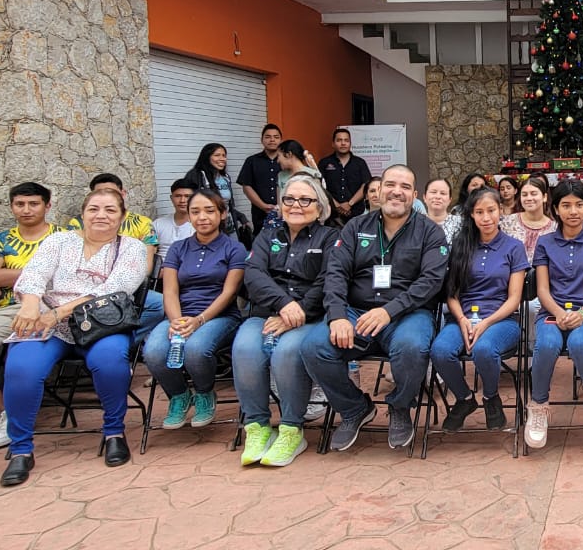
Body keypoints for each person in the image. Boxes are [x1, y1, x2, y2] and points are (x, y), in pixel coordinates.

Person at [0, 187, 148, 486]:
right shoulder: (59, 241)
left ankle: (114, 433)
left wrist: (58, 312)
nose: (101, 215)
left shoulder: (132, 247)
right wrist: (30, 305)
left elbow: (114, 289)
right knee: (21, 368)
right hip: (48, 323)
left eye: (110, 210)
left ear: (122, 216)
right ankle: (21, 449)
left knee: (110, 361)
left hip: (101, 323)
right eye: (94, 209)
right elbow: (34, 275)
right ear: (82, 213)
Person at [300, 164, 448, 451]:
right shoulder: (355, 227)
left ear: (414, 195)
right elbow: (336, 273)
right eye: (390, 184)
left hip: (407, 314)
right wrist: (337, 316)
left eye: (405, 187)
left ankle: (400, 407)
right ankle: (355, 408)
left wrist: (388, 311)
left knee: (412, 346)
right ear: (378, 191)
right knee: (314, 347)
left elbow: (431, 281)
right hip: (357, 312)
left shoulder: (430, 232)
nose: (397, 192)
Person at [234, 177, 337, 467]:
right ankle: (258, 427)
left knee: (287, 352)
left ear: (320, 207)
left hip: (309, 316)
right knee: (244, 348)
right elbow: (254, 274)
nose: (296, 205)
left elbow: (328, 280)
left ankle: (292, 429)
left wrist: (298, 310)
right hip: (267, 314)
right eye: (289, 199)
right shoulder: (267, 236)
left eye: (305, 200)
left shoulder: (330, 238)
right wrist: (284, 305)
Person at [0, 183, 65, 449]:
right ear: (12, 206)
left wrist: (15, 274)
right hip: (10, 308)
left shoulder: (64, 237)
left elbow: (66, 277)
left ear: (47, 206)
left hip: (53, 307)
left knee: (20, 357)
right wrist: (40, 271)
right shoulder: (1, 240)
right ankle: (4, 412)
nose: (26, 210)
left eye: (33, 204)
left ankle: (16, 418)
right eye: (20, 204)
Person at [142, 189, 247, 430]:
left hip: (219, 316)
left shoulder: (234, 248)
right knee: (153, 351)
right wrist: (177, 321)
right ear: (188, 216)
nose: (202, 217)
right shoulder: (178, 248)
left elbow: (229, 293)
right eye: (195, 212)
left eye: (209, 211)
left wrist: (199, 320)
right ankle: (179, 395)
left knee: (196, 349)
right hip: (179, 315)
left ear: (222, 214)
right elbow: (170, 291)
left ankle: (204, 393)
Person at [527, 180, 583, 451]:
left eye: (579, 204)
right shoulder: (545, 243)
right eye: (566, 205)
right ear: (555, 209)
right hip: (551, 312)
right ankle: (538, 406)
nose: (573, 211)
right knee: (547, 344)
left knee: (579, 343)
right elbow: (542, 289)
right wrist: (558, 312)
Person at [431, 187, 527, 432]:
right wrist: (462, 319)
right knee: (440, 351)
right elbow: (451, 294)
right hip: (462, 318)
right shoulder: (461, 245)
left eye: (491, 210)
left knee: (484, 350)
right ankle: (464, 399)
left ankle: (490, 397)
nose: (486, 218)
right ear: (471, 215)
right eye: (479, 212)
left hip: (502, 320)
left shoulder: (514, 247)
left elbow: (514, 299)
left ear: (500, 211)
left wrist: (485, 323)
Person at [69, 173, 161, 341]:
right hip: (83, 285)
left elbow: (147, 266)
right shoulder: (77, 224)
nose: (105, 198)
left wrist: (118, 279)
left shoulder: (142, 223)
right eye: (99, 193)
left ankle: (126, 339)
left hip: (128, 285)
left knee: (160, 305)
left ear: (123, 193)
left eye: (111, 192)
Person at [185, 143, 242, 237]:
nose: (222, 159)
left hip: (228, 225)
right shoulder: (197, 175)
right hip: (208, 226)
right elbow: (189, 202)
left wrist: (241, 217)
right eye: (217, 155)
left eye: (224, 155)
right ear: (207, 157)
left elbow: (227, 204)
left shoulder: (225, 177)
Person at [318, 128, 372, 225]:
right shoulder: (324, 163)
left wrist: (350, 203)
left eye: (346, 140)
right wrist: (336, 205)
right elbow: (319, 185)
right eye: (339, 140)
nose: (343, 143)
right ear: (333, 144)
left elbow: (366, 184)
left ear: (350, 143)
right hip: (331, 215)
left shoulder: (360, 163)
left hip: (357, 214)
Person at [500, 175, 557, 263]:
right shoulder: (507, 222)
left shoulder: (554, 228)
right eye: (524, 195)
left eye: (534, 194)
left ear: (544, 197)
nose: (529, 198)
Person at [238, 124, 284, 230]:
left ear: (281, 140)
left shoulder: (286, 161)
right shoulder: (252, 161)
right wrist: (263, 206)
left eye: (276, 137)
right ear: (262, 140)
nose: (272, 140)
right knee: (261, 239)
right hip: (260, 214)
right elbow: (246, 186)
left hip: (286, 213)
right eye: (268, 137)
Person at [152, 179, 199, 261]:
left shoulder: (201, 225)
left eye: (187, 196)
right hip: (161, 266)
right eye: (178, 196)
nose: (182, 200)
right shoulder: (158, 224)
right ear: (171, 198)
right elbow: (150, 250)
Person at [423, 177, 462, 244]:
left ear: (450, 200)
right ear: (424, 197)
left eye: (443, 193)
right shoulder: (416, 223)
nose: (438, 197)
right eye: (433, 192)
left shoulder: (460, 223)